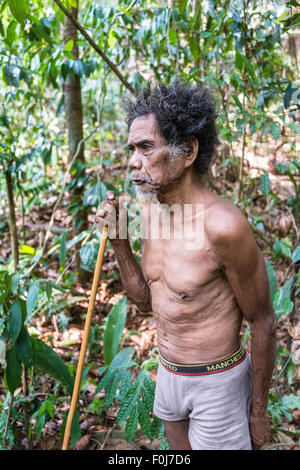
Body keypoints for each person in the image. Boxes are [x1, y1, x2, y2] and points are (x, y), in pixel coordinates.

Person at [94, 80, 276, 450]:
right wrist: (119, 242)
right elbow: (146, 300)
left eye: (146, 147)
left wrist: (258, 410)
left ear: (188, 151)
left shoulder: (223, 226)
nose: (133, 161)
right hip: (169, 377)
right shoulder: (152, 214)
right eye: (132, 149)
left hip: (218, 385)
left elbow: (263, 321)